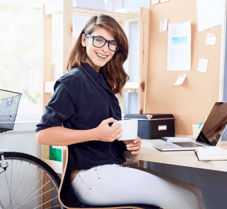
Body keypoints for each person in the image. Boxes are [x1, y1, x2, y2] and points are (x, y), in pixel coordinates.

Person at [36, 14, 206, 209]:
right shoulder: (73, 81)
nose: (105, 49)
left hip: (109, 171)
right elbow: (43, 135)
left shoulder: (103, 83)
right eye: (99, 40)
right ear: (84, 40)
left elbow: (102, 133)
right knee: (186, 199)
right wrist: (97, 133)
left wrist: (125, 141)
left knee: (194, 192)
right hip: (90, 177)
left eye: (111, 44)